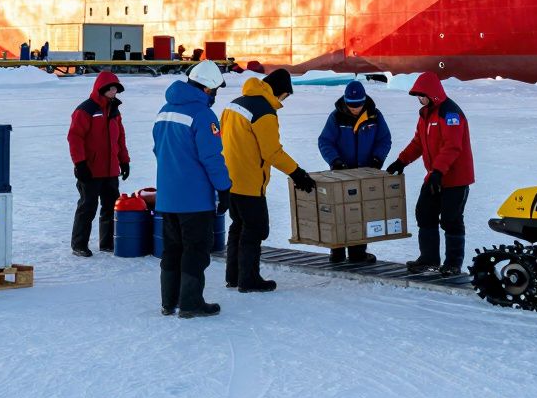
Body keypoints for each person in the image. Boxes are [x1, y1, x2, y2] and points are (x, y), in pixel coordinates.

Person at [220, 68, 316, 293]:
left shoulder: (234, 104)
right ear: (279, 91)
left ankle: (233, 276)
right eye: (286, 95)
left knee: (238, 226)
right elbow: (272, 152)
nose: (284, 100)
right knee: (255, 229)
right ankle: (249, 279)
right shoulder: (264, 111)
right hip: (250, 181)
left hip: (229, 179)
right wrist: (297, 172)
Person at [153, 60, 231, 318]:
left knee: (172, 249)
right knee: (195, 250)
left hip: (167, 197)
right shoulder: (203, 115)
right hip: (195, 200)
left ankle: (169, 302)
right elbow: (212, 157)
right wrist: (224, 187)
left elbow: (158, 150)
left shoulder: (164, 110)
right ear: (208, 89)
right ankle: (190, 303)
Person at [385, 72, 474, 276]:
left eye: (421, 95)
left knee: (451, 220)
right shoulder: (426, 114)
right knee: (424, 213)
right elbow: (418, 143)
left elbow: (452, 146)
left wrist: (438, 172)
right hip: (435, 176)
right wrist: (401, 161)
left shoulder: (450, 113)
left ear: (431, 94)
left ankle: (453, 263)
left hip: (454, 179)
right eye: (417, 96)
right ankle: (429, 259)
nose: (419, 99)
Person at [317, 80, 392, 264]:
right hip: (341, 173)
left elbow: (384, 139)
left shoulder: (375, 116)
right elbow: (325, 141)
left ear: (364, 101)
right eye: (351, 105)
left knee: (360, 212)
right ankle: (337, 252)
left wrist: (377, 159)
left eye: (358, 105)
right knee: (339, 212)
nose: (354, 109)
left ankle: (358, 253)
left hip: (364, 174)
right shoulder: (336, 117)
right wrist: (335, 161)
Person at [68, 71, 130, 257]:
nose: (114, 92)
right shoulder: (85, 110)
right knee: (87, 207)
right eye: (111, 89)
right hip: (91, 170)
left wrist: (124, 161)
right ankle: (79, 245)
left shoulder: (114, 111)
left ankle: (107, 243)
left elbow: (120, 139)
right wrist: (80, 164)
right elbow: (75, 137)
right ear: (102, 89)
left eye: (116, 89)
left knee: (111, 207)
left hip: (111, 170)